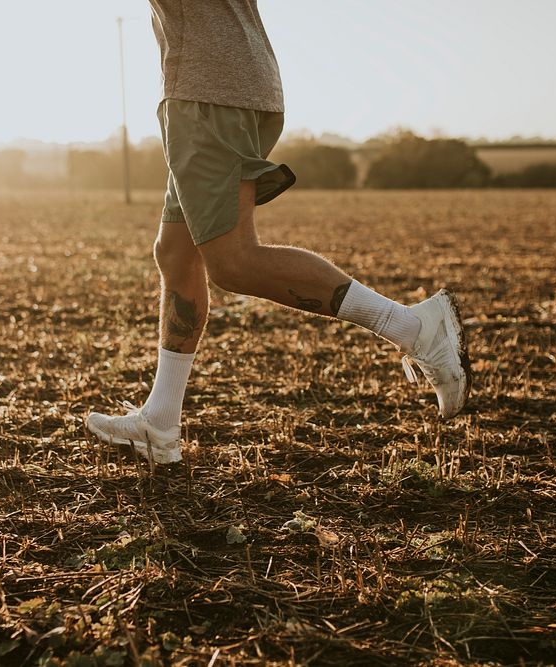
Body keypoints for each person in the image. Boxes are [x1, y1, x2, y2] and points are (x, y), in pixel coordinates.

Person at [87, 0, 470, 465]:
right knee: (176, 253)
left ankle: (414, 327)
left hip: (209, 90)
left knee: (233, 261)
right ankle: (160, 421)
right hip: (225, 83)